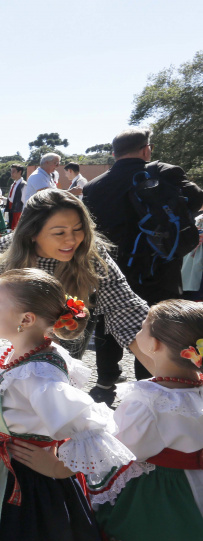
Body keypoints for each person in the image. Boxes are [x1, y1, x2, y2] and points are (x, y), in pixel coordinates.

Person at [0, 268, 133, 541]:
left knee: (18, 539)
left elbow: (90, 426)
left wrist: (60, 468)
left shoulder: (37, 374)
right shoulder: (24, 355)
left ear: (26, 320)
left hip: (24, 475)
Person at [0, 189, 153, 403]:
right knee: (20, 390)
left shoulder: (91, 254)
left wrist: (170, 371)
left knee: (58, 386)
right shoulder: (2, 252)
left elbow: (125, 308)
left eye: (78, 229)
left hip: (71, 327)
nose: (72, 240)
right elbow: (2, 306)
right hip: (23, 332)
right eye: (59, 233)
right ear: (32, 233)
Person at [83, 127, 203, 393]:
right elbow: (196, 199)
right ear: (146, 149)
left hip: (111, 265)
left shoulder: (93, 186)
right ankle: (149, 382)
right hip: (157, 265)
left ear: (114, 153)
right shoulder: (163, 172)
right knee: (157, 322)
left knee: (108, 317)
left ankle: (106, 378)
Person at [83, 300, 203, 541]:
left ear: (154, 345)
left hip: (163, 497)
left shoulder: (149, 401)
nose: (137, 331)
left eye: (142, 326)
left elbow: (121, 449)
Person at [6, 164, 27, 230]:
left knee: (16, 230)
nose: (11, 173)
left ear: (19, 172)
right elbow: (12, 199)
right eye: (11, 171)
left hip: (18, 211)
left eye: (13, 171)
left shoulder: (23, 185)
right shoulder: (13, 184)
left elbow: (24, 201)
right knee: (11, 229)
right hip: (11, 210)